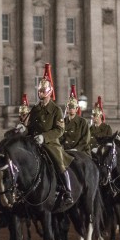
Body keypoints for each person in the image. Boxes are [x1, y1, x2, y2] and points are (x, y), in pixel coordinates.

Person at [27, 63, 74, 205]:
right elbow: (31, 127)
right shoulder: (35, 109)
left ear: (49, 91)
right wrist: (24, 130)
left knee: (59, 163)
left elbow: (59, 130)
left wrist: (44, 137)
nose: (40, 92)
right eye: (39, 90)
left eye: (43, 90)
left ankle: (67, 191)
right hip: (35, 142)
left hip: (50, 143)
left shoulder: (56, 110)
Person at [61, 85, 91, 154]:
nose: (71, 109)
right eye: (70, 108)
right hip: (65, 152)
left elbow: (85, 140)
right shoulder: (63, 122)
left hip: (80, 151)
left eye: (73, 108)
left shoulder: (83, 122)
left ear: (77, 109)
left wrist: (76, 149)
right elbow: (60, 138)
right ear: (67, 109)